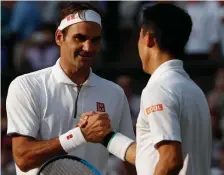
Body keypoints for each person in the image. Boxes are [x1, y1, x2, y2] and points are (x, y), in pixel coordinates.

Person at [78, 3, 212, 175]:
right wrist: (107, 137)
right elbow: (150, 157)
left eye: (139, 36)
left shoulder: (159, 88)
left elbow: (170, 160)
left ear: (148, 38)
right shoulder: (194, 90)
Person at [6, 2, 135, 175]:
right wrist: (80, 135)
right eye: (80, 38)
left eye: (95, 40)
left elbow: (130, 161)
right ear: (59, 37)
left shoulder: (115, 93)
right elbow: (23, 158)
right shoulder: (26, 86)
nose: (88, 47)